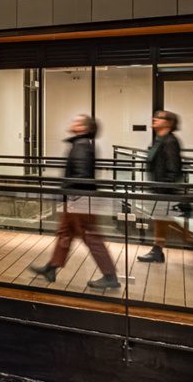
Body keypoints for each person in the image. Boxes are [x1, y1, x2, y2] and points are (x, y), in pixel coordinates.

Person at [31, 114, 120, 290]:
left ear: (84, 128)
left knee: (91, 236)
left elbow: (81, 175)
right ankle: (52, 267)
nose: (72, 123)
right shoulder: (82, 144)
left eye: (77, 122)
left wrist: (69, 195)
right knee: (65, 232)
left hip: (79, 200)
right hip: (77, 198)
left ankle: (110, 275)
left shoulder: (81, 146)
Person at [137, 109, 193, 263]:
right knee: (162, 220)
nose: (154, 119)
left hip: (165, 189)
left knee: (164, 220)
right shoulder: (160, 140)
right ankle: (158, 250)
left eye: (158, 118)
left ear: (168, 123)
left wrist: (165, 188)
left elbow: (174, 167)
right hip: (159, 188)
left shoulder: (170, 141)